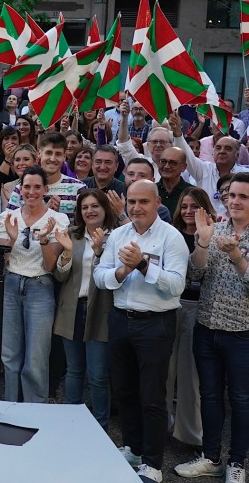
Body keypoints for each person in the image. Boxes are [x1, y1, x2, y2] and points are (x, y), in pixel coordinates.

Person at [94, 180, 188, 483]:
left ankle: (152, 463)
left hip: (156, 324)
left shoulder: (172, 238)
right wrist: (122, 270)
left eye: (143, 202)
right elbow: (100, 277)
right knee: (124, 391)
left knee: (152, 396)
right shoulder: (118, 235)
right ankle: (133, 448)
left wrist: (143, 265)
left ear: (157, 202)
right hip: (121, 318)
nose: (136, 208)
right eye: (131, 202)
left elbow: (176, 286)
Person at [175, 174, 249, 482]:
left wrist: (235, 255)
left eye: (242, 197)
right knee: (210, 395)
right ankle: (211, 457)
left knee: (242, 400)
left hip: (242, 332)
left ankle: (237, 463)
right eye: (231, 195)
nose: (234, 201)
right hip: (206, 327)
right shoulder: (213, 228)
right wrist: (203, 241)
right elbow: (195, 273)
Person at [0, 166, 68, 403]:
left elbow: (50, 265)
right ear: (20, 189)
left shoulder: (58, 219)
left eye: (37, 187)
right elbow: (3, 261)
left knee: (36, 358)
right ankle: (9, 407)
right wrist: (12, 239)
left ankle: (34, 410)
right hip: (11, 284)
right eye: (27, 186)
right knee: (9, 355)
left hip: (40, 286)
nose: (32, 191)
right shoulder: (8, 217)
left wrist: (46, 240)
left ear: (46, 190)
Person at [53, 190, 115, 429]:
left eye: (95, 206)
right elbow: (59, 275)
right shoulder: (72, 235)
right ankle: (71, 421)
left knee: (98, 375)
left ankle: (101, 425)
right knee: (74, 370)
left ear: (104, 209)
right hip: (72, 309)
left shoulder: (116, 237)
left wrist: (99, 252)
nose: (89, 211)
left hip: (100, 310)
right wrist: (67, 252)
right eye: (85, 207)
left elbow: (113, 278)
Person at [167, 187, 215, 455]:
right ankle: (162, 424)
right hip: (169, 305)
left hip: (198, 307)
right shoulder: (170, 234)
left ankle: (190, 435)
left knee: (189, 375)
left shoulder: (213, 234)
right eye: (184, 206)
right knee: (164, 371)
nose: (187, 211)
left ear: (204, 208)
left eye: (193, 206)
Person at [171, 112, 249, 216]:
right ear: (213, 152)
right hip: (204, 226)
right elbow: (187, 156)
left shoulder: (245, 175)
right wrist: (177, 133)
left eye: (228, 148)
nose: (222, 151)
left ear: (237, 155)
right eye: (218, 148)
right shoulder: (204, 169)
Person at [156, 147, 192, 218]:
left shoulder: (192, 192)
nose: (166, 166)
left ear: (184, 167)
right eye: (163, 161)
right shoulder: (151, 191)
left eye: (172, 163)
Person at [2, 144, 37, 210]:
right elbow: (5, 216)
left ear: (35, 161)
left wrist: (14, 201)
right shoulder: (7, 187)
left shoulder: (41, 185)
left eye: (26, 159)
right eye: (17, 160)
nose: (21, 163)